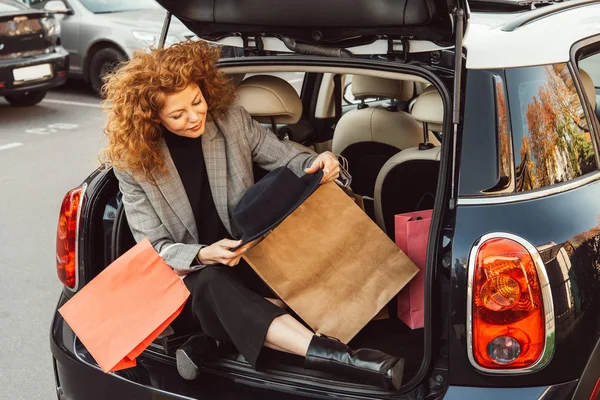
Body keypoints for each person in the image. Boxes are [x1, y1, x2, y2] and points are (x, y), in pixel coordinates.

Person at [101, 40, 404, 390]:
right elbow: (154, 248)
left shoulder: (231, 122)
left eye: (197, 102)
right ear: (152, 117)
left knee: (282, 273)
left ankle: (215, 341)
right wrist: (203, 254)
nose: (194, 116)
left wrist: (319, 163)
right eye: (177, 114)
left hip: (249, 259)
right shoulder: (133, 163)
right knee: (213, 282)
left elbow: (289, 159)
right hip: (189, 279)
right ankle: (341, 358)